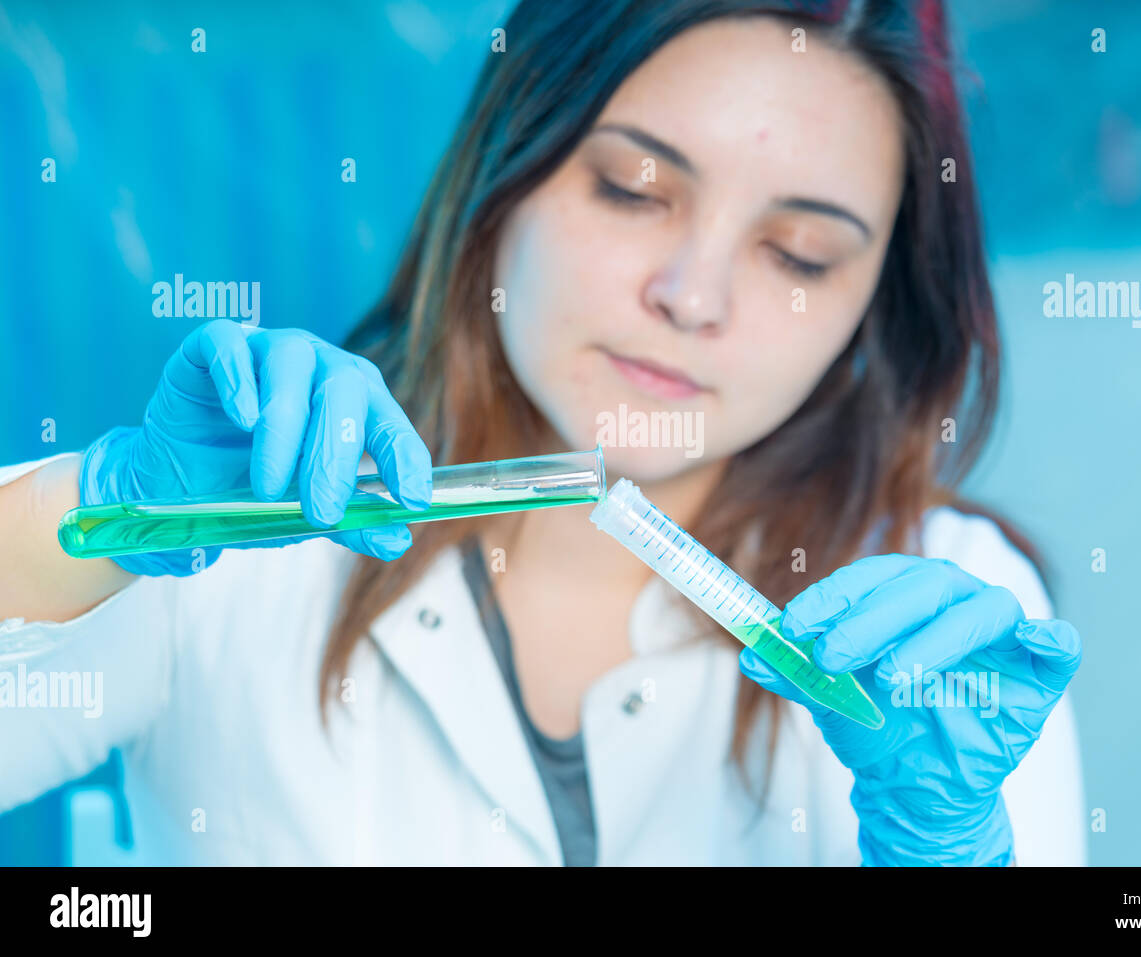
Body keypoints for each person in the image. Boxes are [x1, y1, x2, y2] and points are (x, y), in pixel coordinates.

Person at [0, 0, 1084, 866]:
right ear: (503, 174)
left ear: (873, 307)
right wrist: (88, 517)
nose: (691, 295)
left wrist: (946, 855)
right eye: (633, 190)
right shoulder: (238, 532)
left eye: (799, 254)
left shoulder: (939, 607)